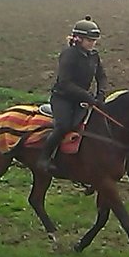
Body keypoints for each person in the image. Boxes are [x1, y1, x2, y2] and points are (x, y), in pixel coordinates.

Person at [39, 16, 108, 173]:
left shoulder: (94, 55)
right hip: (63, 98)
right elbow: (65, 83)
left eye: (94, 40)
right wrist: (88, 97)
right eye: (89, 40)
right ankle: (44, 158)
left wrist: (101, 95)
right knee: (64, 126)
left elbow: (101, 76)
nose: (92, 43)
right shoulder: (69, 54)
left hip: (82, 99)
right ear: (78, 39)